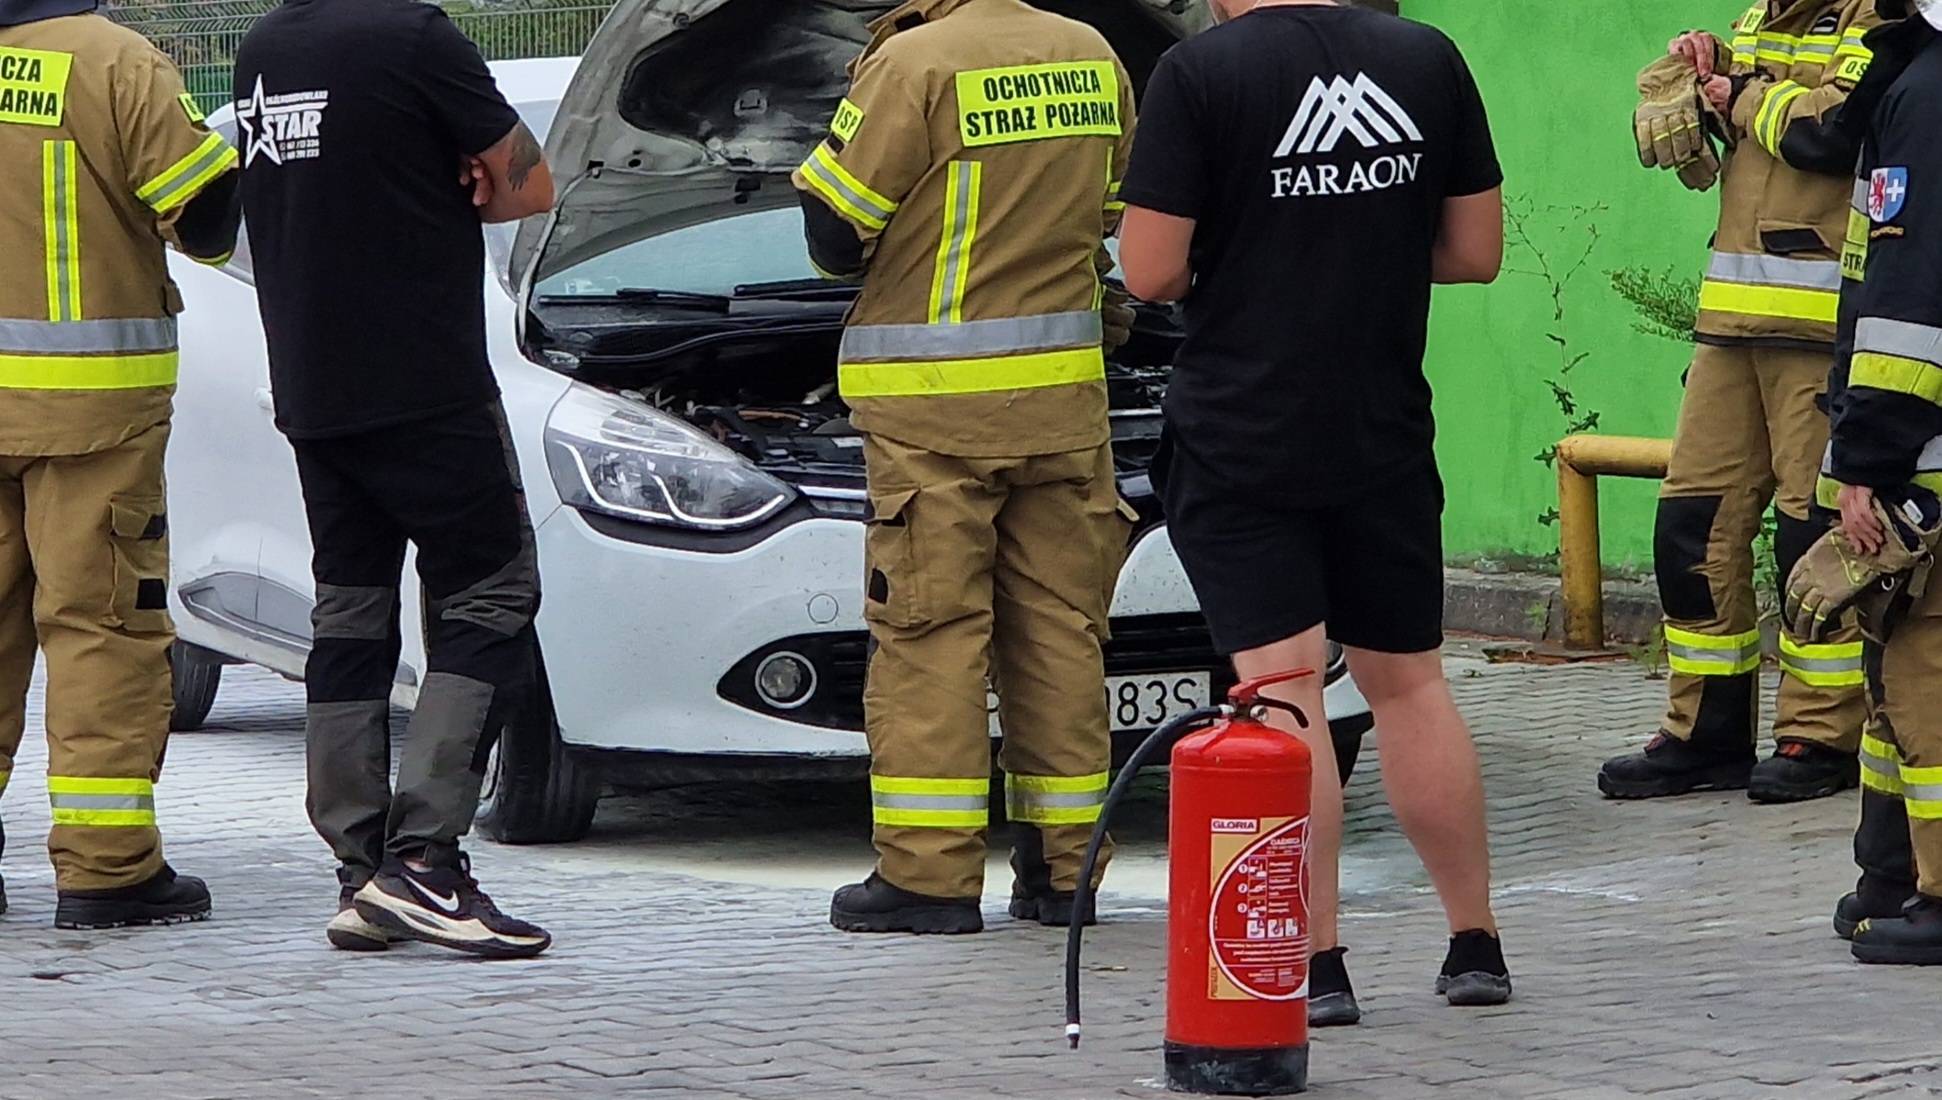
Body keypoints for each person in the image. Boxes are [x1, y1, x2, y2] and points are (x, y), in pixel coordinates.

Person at [1116, 0, 1507, 1023]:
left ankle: (1317, 960)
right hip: (1380, 424)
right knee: (1410, 684)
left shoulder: (1198, 74)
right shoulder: (1426, 56)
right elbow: (1473, 250)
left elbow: (1150, 269)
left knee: (1280, 694)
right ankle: (1475, 943)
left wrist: (1261, 249)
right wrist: (1354, 247)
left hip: (1244, 432)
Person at [793, 0, 1139, 935]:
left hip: (931, 410)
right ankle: (1066, 874)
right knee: (1061, 632)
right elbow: (1108, 217)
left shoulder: (917, 62)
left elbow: (833, 232)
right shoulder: (1091, 53)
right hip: (1065, 405)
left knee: (931, 632)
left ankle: (929, 878)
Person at [233, 0, 557, 958]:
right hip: (423, 378)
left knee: (350, 606)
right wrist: (461, 173)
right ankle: (426, 864)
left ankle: (361, 869)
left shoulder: (263, 46)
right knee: (494, 586)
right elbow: (524, 187)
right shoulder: (415, 36)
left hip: (311, 382)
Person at [1598, 0, 1884, 804]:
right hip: (1731, 321)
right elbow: (1753, 118)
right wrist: (1704, 69)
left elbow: (1834, 132)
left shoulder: (1877, 18)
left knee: (1810, 539)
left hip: (1824, 331)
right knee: (1691, 526)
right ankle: (1705, 733)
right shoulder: (1765, 12)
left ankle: (1821, 734)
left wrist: (1740, 93)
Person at [0, 0, 239, 928]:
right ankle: (108, 868)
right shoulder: (114, 62)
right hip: (94, 414)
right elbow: (207, 217)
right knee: (101, 630)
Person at [1789, 0, 1942, 962]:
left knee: (1925, 669)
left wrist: (1868, 461)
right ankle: (1893, 871)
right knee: (1892, 670)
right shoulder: (1914, 77)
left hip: (1922, 444)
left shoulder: (1927, 95)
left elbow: (1908, 302)